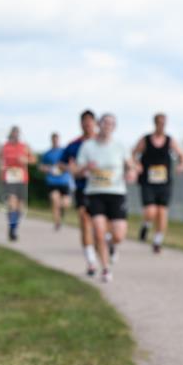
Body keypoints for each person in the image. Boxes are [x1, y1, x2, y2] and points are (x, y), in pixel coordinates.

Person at [74, 113, 136, 283]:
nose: (107, 125)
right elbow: (77, 171)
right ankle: (105, 269)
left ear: (114, 127)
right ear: (99, 124)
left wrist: (131, 172)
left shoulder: (121, 146)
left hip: (117, 193)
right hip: (95, 193)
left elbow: (130, 166)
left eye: (111, 123)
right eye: (105, 122)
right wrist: (85, 167)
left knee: (119, 235)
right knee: (99, 232)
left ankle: (112, 244)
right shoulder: (88, 146)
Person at [133, 113, 183, 253]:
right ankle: (146, 225)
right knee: (151, 211)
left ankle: (158, 241)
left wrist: (182, 165)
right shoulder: (146, 140)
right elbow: (133, 154)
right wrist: (137, 165)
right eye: (159, 122)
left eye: (163, 123)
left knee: (162, 212)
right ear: (155, 123)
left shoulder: (170, 140)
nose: (161, 125)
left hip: (164, 182)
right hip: (148, 181)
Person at [61, 110, 99, 275]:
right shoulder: (74, 145)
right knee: (84, 219)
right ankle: (91, 261)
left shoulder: (103, 142)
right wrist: (69, 168)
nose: (87, 124)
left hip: (103, 188)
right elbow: (61, 163)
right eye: (85, 121)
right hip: (82, 187)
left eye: (90, 121)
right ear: (81, 124)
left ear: (95, 123)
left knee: (100, 224)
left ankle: (106, 243)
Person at [0, 126, 35, 241]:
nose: (15, 136)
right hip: (9, 178)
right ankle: (12, 228)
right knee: (12, 203)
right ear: (10, 134)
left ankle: (14, 226)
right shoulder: (4, 147)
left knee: (20, 207)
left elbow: (33, 159)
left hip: (21, 178)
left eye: (17, 134)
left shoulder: (25, 146)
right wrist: (2, 168)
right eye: (13, 134)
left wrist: (26, 160)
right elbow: (0, 160)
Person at [40, 132, 73, 230]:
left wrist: (64, 167)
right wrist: (47, 169)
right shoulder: (47, 153)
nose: (55, 141)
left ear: (59, 140)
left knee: (66, 203)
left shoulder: (64, 152)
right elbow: (41, 166)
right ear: (51, 140)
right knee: (55, 200)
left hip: (64, 181)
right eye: (53, 140)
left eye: (57, 139)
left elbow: (71, 164)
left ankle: (61, 210)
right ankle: (57, 222)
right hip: (52, 181)